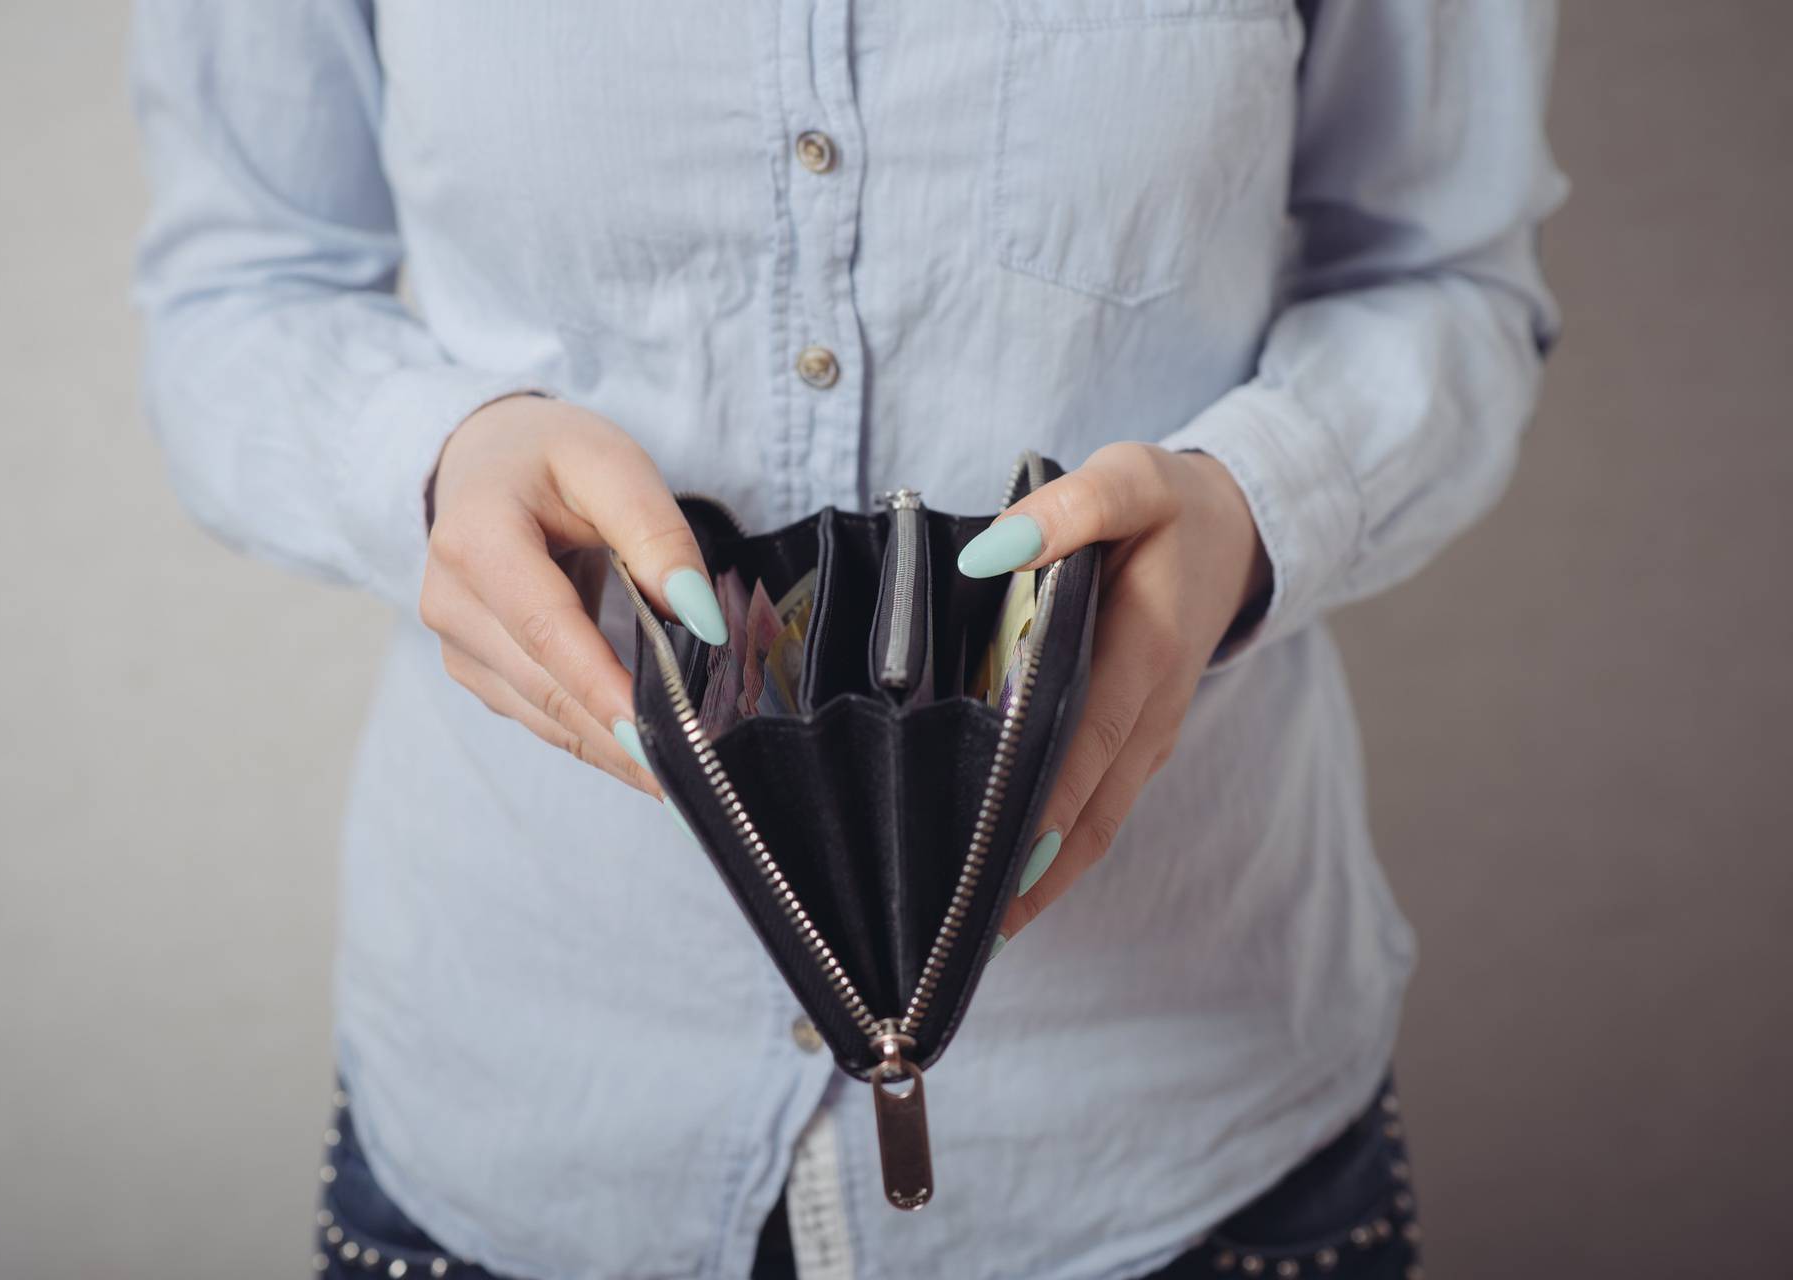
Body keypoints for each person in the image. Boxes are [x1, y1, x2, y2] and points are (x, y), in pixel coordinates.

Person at [131, 2, 1563, 1277]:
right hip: (526, 1084)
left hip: (1175, 1115)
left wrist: (1258, 504)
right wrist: (438, 460)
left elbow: (1444, 272)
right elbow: (242, 289)